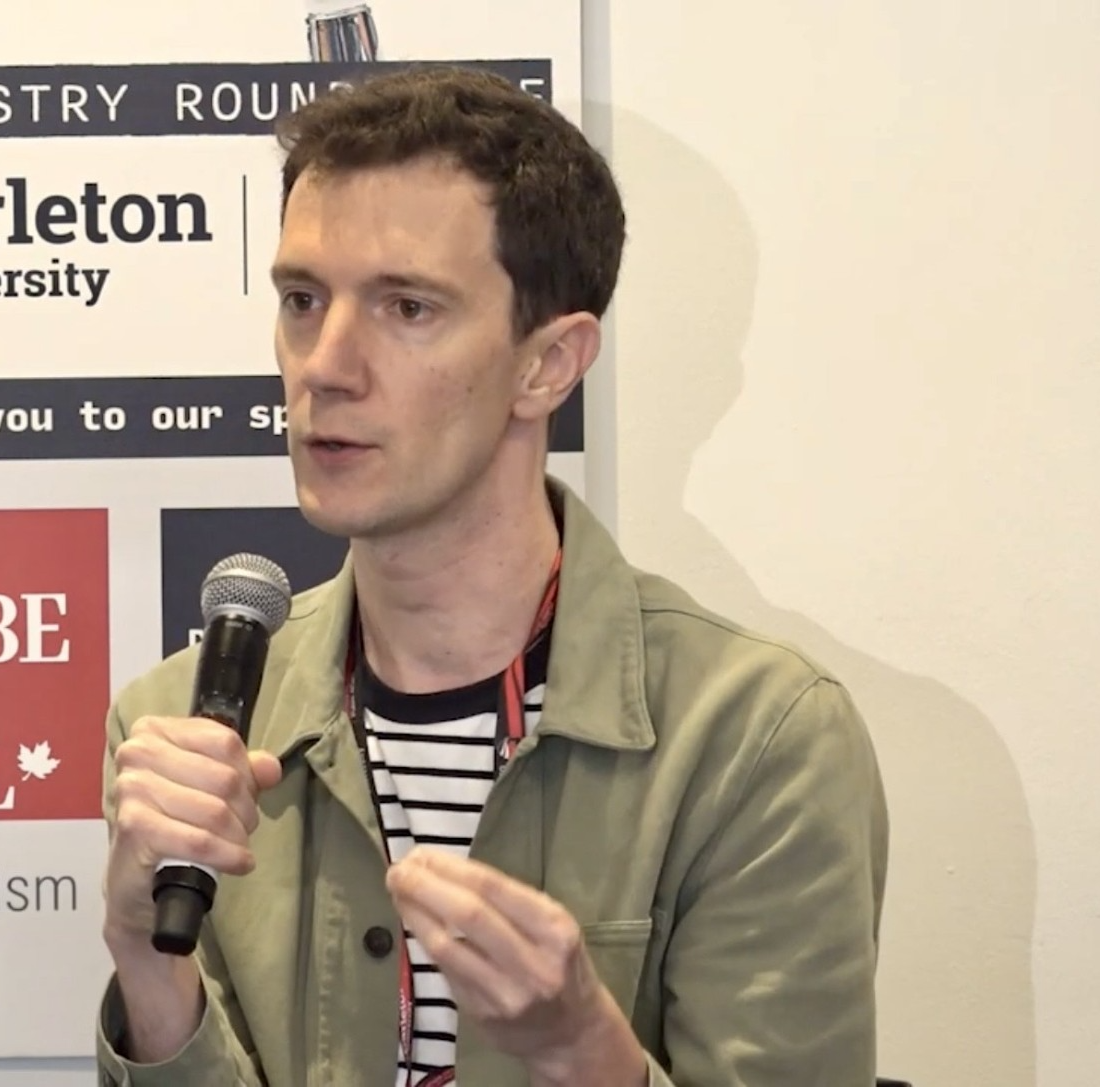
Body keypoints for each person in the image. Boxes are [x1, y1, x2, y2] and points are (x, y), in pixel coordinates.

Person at [92, 64, 890, 1086]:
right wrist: (144, 967)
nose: (324, 365)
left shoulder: (753, 739)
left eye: (408, 307)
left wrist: (585, 1054)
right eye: (301, 298)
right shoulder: (188, 726)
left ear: (548, 364)